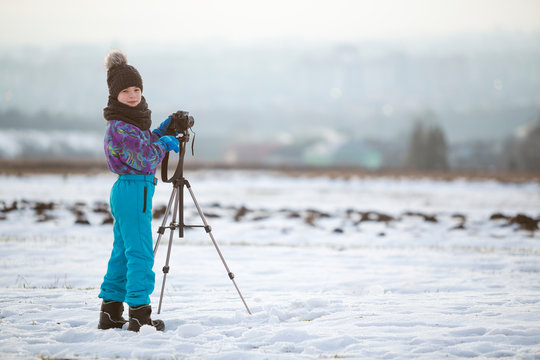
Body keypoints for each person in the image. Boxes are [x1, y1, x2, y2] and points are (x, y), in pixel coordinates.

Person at [97, 49, 180, 332]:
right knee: (141, 254)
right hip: (133, 193)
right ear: (114, 94)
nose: (133, 95)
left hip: (131, 191)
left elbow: (143, 144)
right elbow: (144, 157)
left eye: (137, 89)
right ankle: (139, 314)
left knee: (122, 253)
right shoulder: (121, 127)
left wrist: (162, 131)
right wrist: (165, 143)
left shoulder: (128, 123)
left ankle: (109, 313)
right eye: (126, 91)